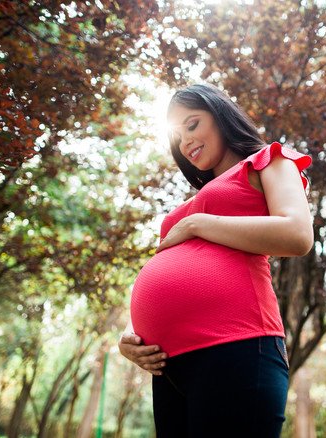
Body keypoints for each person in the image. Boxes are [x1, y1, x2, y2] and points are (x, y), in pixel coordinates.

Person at [118, 83, 313, 437]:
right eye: (177, 136)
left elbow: (298, 235)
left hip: (235, 346)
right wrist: (134, 336)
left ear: (221, 115)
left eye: (192, 125)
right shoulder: (196, 199)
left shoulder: (268, 160)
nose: (185, 142)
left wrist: (197, 223)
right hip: (169, 365)